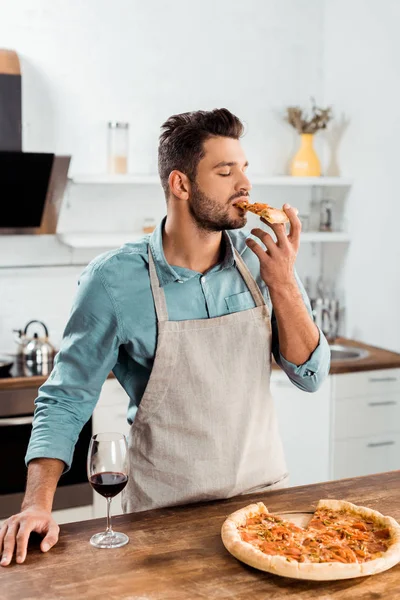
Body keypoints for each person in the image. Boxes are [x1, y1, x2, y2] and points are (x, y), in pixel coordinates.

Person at [0, 108, 330, 566]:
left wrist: (287, 284)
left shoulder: (264, 263)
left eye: (245, 168)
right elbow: (66, 397)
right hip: (163, 518)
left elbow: (310, 375)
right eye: (225, 170)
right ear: (180, 185)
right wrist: (36, 505)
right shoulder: (113, 281)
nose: (245, 185)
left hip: (264, 507)